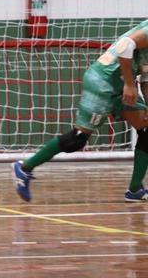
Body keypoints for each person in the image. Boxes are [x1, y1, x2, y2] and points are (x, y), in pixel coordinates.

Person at [12, 18, 148, 203]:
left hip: (123, 82)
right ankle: (25, 168)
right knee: (77, 140)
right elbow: (126, 45)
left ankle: (135, 189)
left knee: (146, 129)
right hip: (103, 81)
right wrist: (130, 85)